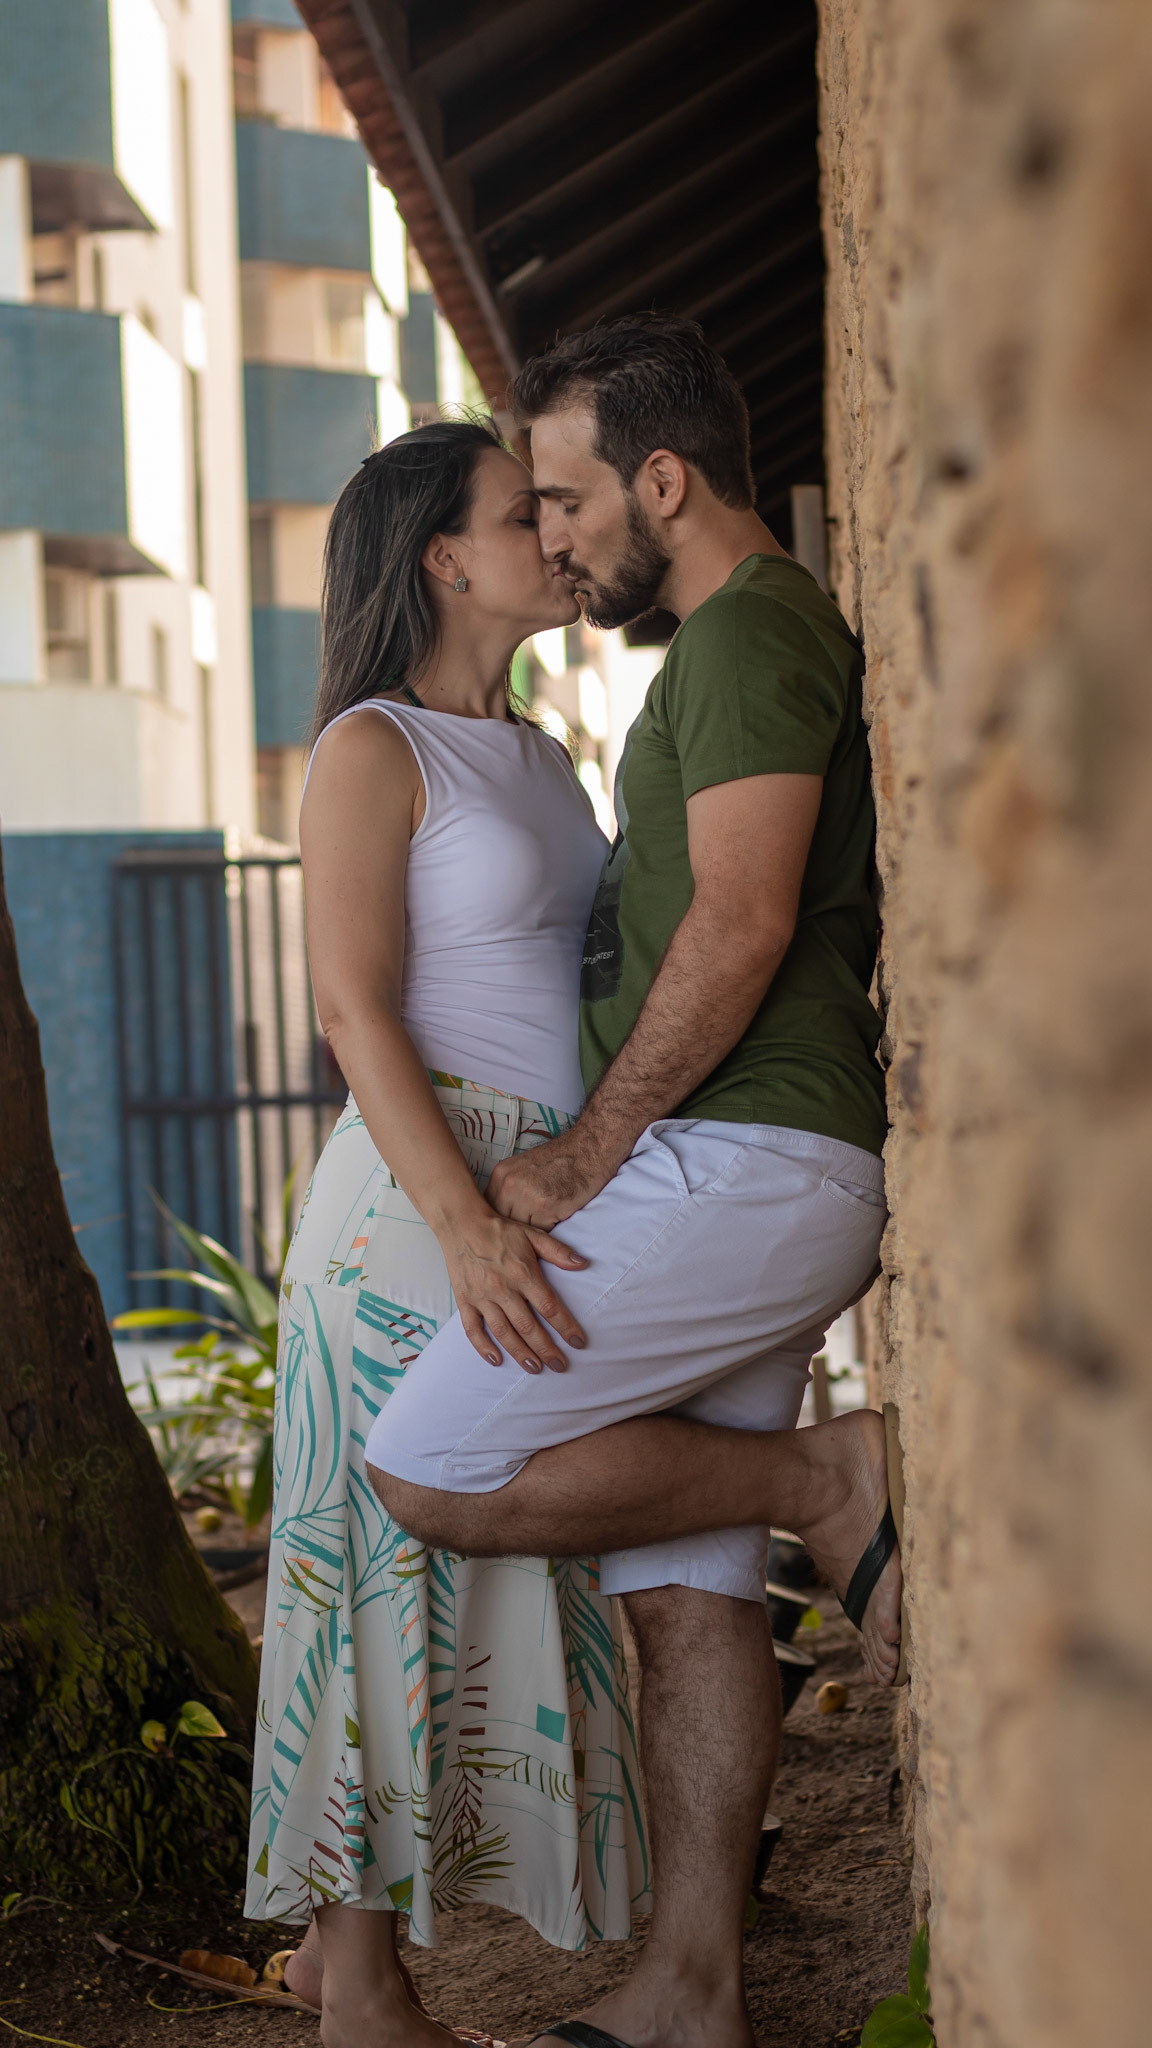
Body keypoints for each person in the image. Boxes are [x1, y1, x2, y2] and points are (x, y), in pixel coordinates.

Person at [365, 316, 905, 2048]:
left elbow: (742, 922)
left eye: (570, 498)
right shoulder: (723, 649)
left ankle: (830, 1475)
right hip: (740, 1157)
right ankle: (691, 1989)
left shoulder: (745, 635)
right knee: (687, 1589)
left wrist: (586, 1153)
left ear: (662, 482)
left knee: (433, 1460)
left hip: (748, 1157)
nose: (558, 534)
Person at [246, 418, 649, 2048]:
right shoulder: (372, 746)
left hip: (532, 1189)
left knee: (485, 1546)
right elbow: (352, 1009)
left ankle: (342, 1960)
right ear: (444, 559)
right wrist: (467, 1223)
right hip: (421, 1200)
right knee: (378, 1566)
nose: (554, 532)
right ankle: (362, 1984)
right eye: (518, 511)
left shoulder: (543, 755)